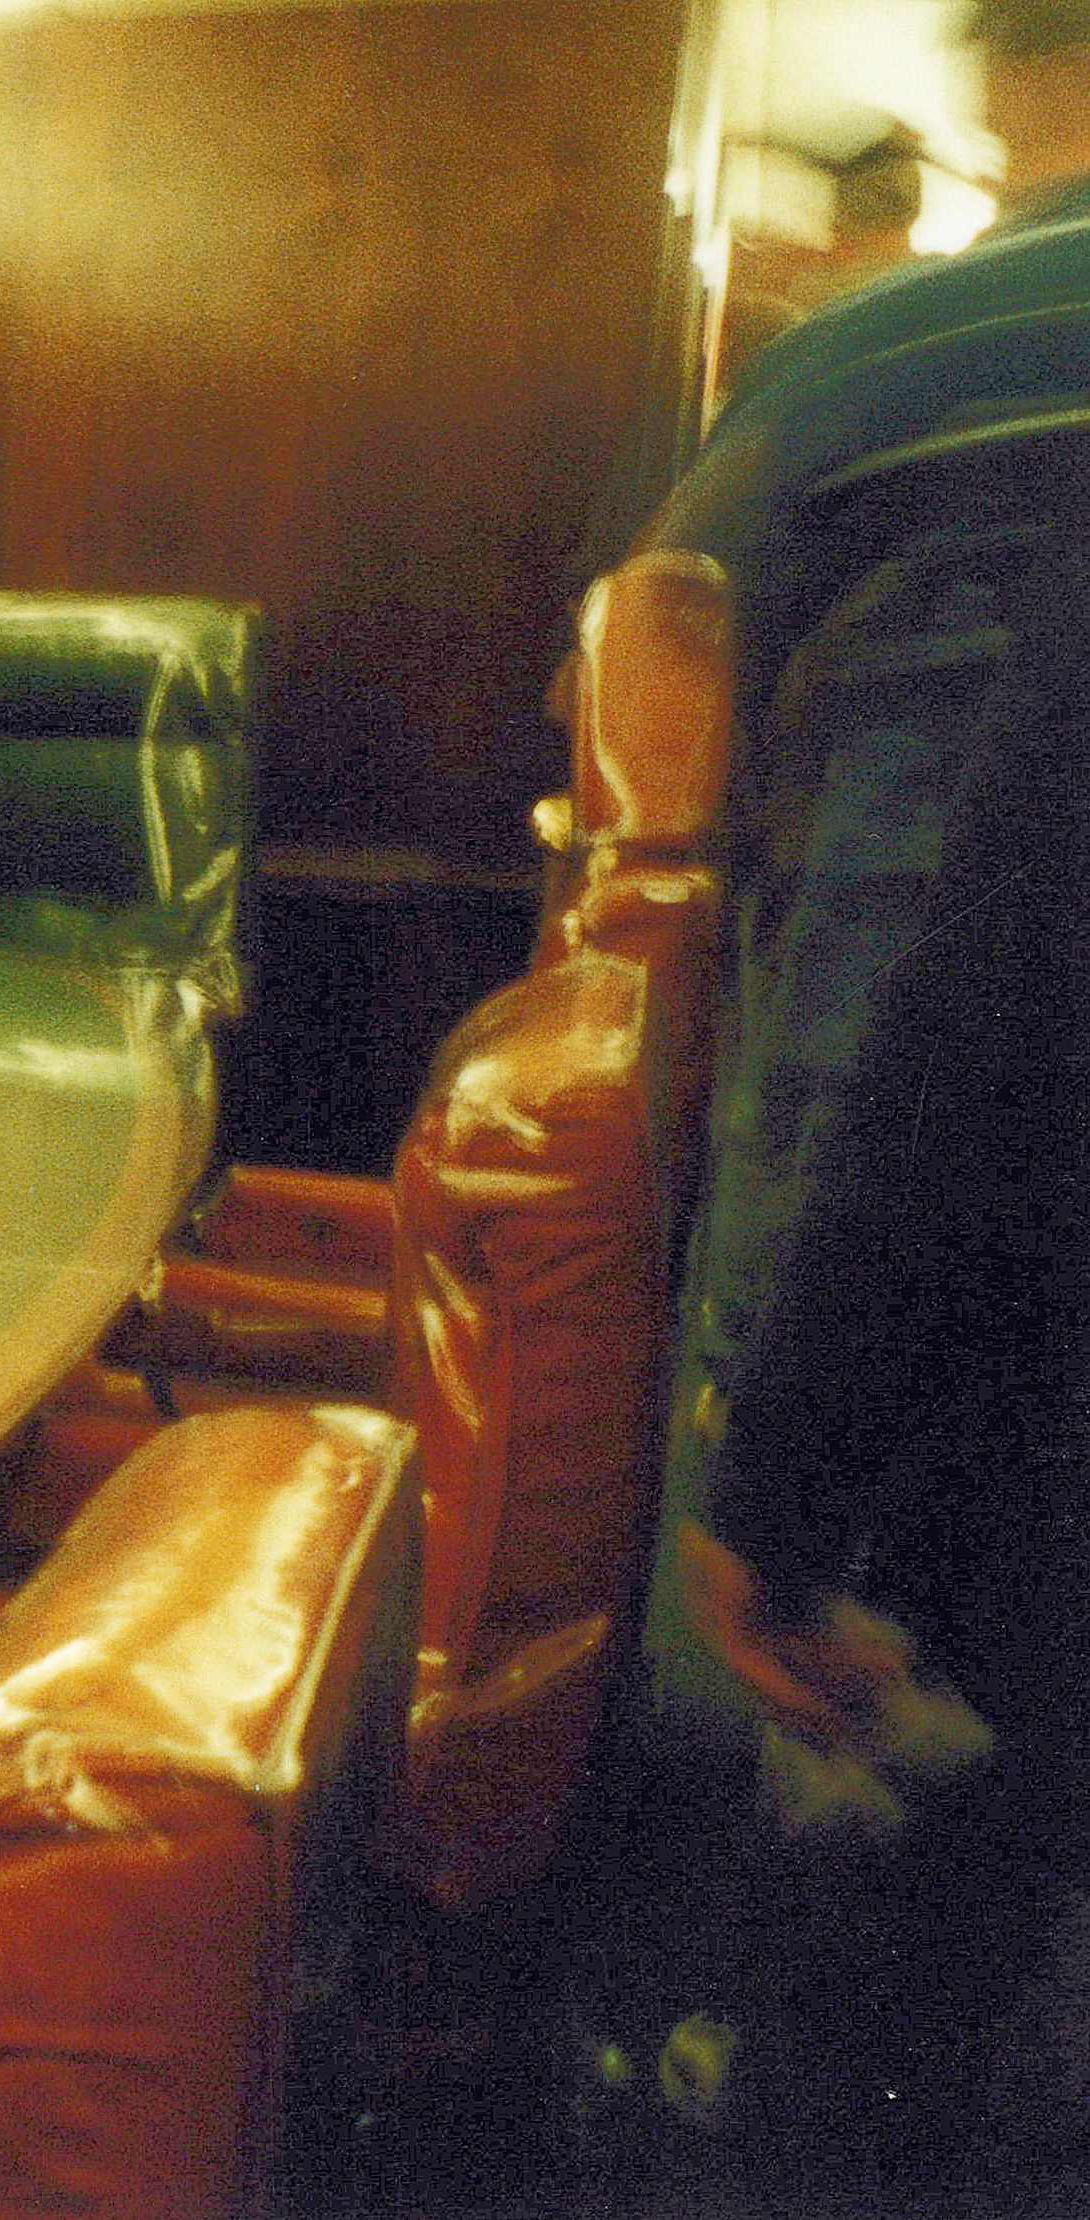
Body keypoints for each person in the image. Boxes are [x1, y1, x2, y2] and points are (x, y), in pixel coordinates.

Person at [578, 1, 1090, 2200]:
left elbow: (645, 654)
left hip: (882, 1085)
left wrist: (777, 1483)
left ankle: (760, 2078)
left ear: (1008, 86)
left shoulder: (877, 363)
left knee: (820, 1670)